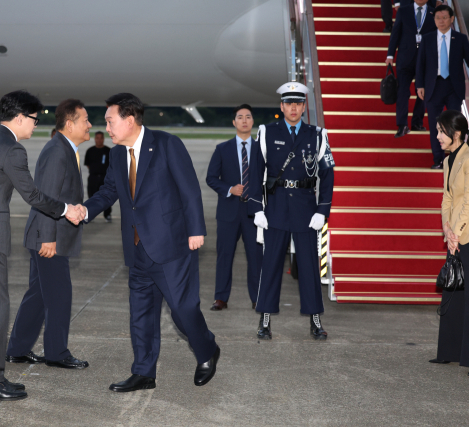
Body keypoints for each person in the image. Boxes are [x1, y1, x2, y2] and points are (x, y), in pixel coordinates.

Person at [83, 93, 219, 392]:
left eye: (110, 121)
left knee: (183, 311)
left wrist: (197, 230)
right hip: (136, 248)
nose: (106, 128)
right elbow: (108, 192)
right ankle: (144, 372)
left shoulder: (167, 144)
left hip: (171, 246)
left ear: (129, 120)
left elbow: (189, 189)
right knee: (141, 314)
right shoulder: (118, 154)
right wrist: (85, 210)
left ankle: (207, 349)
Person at [0, 90, 83, 401]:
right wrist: (67, 209)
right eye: (33, 119)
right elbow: (33, 194)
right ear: (19, 118)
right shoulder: (12, 149)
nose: (36, 126)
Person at [6, 99, 90, 369]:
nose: (90, 125)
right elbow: (45, 197)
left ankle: (17, 349)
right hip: (48, 237)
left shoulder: (65, 149)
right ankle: (57, 353)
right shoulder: (58, 151)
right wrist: (48, 237)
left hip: (47, 234)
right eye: (85, 119)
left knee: (40, 294)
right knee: (59, 296)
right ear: (70, 123)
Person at [252, 82, 335, 341]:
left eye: (298, 103)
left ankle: (316, 321)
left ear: (303, 106)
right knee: (271, 265)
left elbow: (328, 173)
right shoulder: (266, 132)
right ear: (282, 106)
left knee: (310, 267)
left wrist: (323, 209)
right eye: (289, 103)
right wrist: (257, 209)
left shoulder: (317, 134)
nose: (293, 108)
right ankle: (264, 321)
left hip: (306, 210)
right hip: (275, 209)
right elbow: (255, 172)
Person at [206, 104, 263, 311]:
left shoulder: (261, 150)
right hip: (228, 212)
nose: (244, 120)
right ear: (234, 122)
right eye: (240, 117)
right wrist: (230, 188)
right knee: (224, 255)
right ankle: (221, 298)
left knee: (256, 257)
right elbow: (211, 178)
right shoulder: (222, 149)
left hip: (254, 213)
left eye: (248, 117)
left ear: (252, 121)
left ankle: (258, 298)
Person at [432, 110, 469, 368]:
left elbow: (468, 199)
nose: (437, 137)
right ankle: (449, 350)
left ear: (456, 134)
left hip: (466, 234)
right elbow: (447, 198)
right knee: (453, 292)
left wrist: (455, 230)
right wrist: (446, 228)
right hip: (454, 235)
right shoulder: (447, 161)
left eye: (440, 132)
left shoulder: (468, 157)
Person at [416, 4, 469, 169]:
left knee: (455, 125)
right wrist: (419, 86)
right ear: (434, 19)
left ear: (452, 19)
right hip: (433, 87)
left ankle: (454, 158)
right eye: (438, 18)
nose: (441, 21)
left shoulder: (460, 38)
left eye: (445, 17)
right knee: (435, 125)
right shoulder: (428, 38)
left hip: (454, 87)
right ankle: (438, 159)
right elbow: (420, 64)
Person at [386, 0, 436, 138]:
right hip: (405, 58)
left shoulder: (434, 13)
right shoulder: (403, 10)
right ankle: (402, 125)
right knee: (402, 91)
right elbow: (395, 33)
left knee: (423, 92)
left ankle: (417, 122)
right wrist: (390, 54)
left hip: (425, 60)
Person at [84, 130, 112, 221]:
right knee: (92, 196)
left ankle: (107, 214)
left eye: (101, 138)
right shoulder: (90, 151)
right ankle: (91, 214)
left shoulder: (109, 151)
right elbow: (88, 164)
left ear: (103, 139)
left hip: (105, 178)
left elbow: (112, 165)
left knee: (106, 197)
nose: (99, 140)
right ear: (95, 139)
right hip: (93, 178)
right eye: (97, 138)